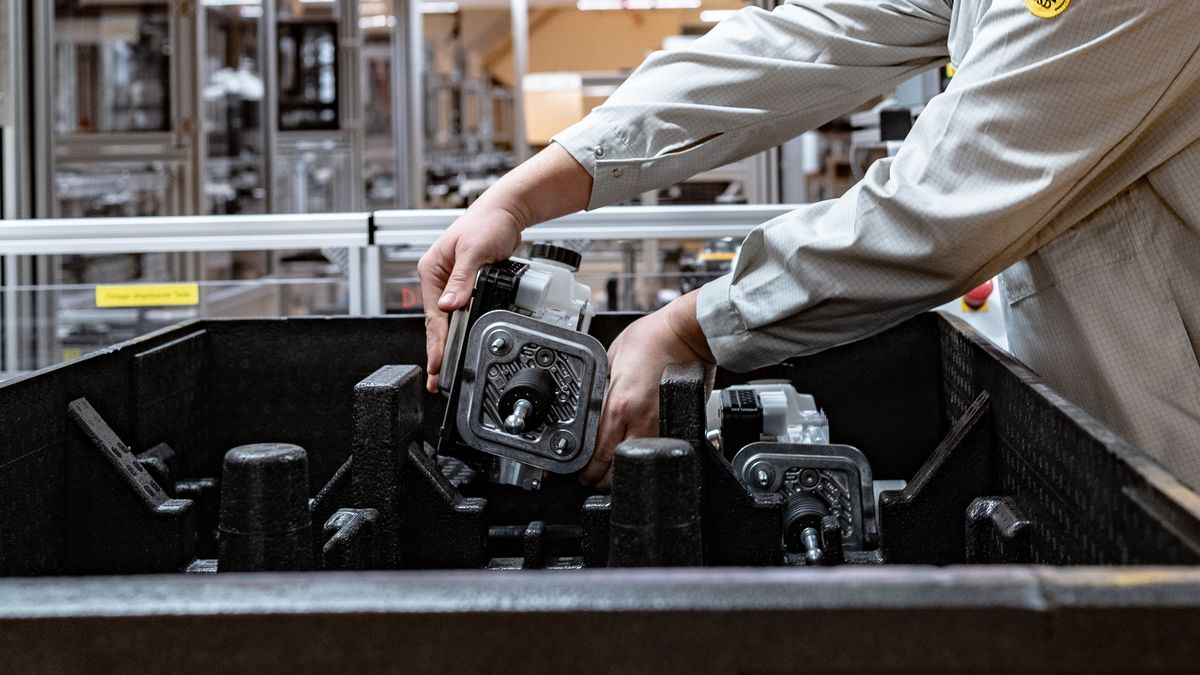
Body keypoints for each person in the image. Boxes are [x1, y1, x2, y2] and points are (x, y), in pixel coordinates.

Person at [420, 0, 1200, 490]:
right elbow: (808, 38)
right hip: (1120, 442)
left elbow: (940, 206)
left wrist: (690, 328)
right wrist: (524, 191)